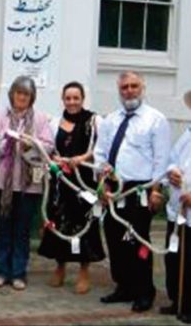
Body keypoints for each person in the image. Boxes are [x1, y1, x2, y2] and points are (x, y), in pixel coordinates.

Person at [94, 71, 170, 312]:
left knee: (138, 241)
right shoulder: (111, 119)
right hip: (114, 189)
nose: (129, 91)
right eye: (124, 87)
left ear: (142, 87)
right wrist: (102, 183)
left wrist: (157, 191)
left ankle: (144, 290)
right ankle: (123, 286)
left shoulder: (156, 120)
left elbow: (161, 159)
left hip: (141, 189)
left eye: (134, 86)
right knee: (115, 240)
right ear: (119, 90)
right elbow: (100, 153)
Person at [0, 76, 53, 290]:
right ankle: (1, 271)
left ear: (32, 97)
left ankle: (18, 273)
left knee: (22, 230)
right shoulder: (0, 115)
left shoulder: (40, 118)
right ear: (12, 94)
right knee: (3, 228)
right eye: (18, 93)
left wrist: (29, 146)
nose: (22, 97)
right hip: (2, 183)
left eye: (26, 94)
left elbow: (49, 145)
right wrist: (6, 141)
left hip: (28, 185)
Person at [38, 81, 105, 294]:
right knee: (59, 222)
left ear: (82, 99)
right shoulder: (55, 122)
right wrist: (55, 159)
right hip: (61, 183)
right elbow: (47, 149)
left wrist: (82, 157)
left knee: (84, 224)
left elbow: (101, 148)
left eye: (76, 98)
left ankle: (84, 271)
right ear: (63, 99)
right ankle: (60, 266)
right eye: (68, 98)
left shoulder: (94, 121)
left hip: (84, 182)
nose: (72, 102)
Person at [160, 89, 191, 324]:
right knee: (174, 257)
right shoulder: (187, 134)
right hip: (177, 209)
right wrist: (172, 173)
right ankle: (177, 299)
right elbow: (171, 160)